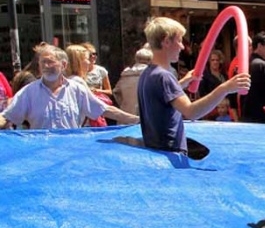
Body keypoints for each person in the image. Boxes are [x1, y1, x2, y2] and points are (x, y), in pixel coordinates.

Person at [137, 17, 251, 155]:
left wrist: (183, 82)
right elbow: (192, 112)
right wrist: (225, 88)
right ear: (166, 41)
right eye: (179, 41)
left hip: (156, 149)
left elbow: (163, 97)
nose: (182, 47)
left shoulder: (147, 74)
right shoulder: (164, 77)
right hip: (170, 152)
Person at [0, 45, 139, 130]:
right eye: (43, 62)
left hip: (70, 156)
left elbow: (104, 109)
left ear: (64, 65)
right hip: (41, 158)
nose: (46, 66)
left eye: (50, 62)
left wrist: (138, 121)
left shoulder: (77, 90)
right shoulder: (29, 92)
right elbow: (7, 117)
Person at [239, 32, 265, 124]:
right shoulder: (263, 65)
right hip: (260, 116)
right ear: (260, 45)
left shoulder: (244, 64)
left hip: (245, 115)